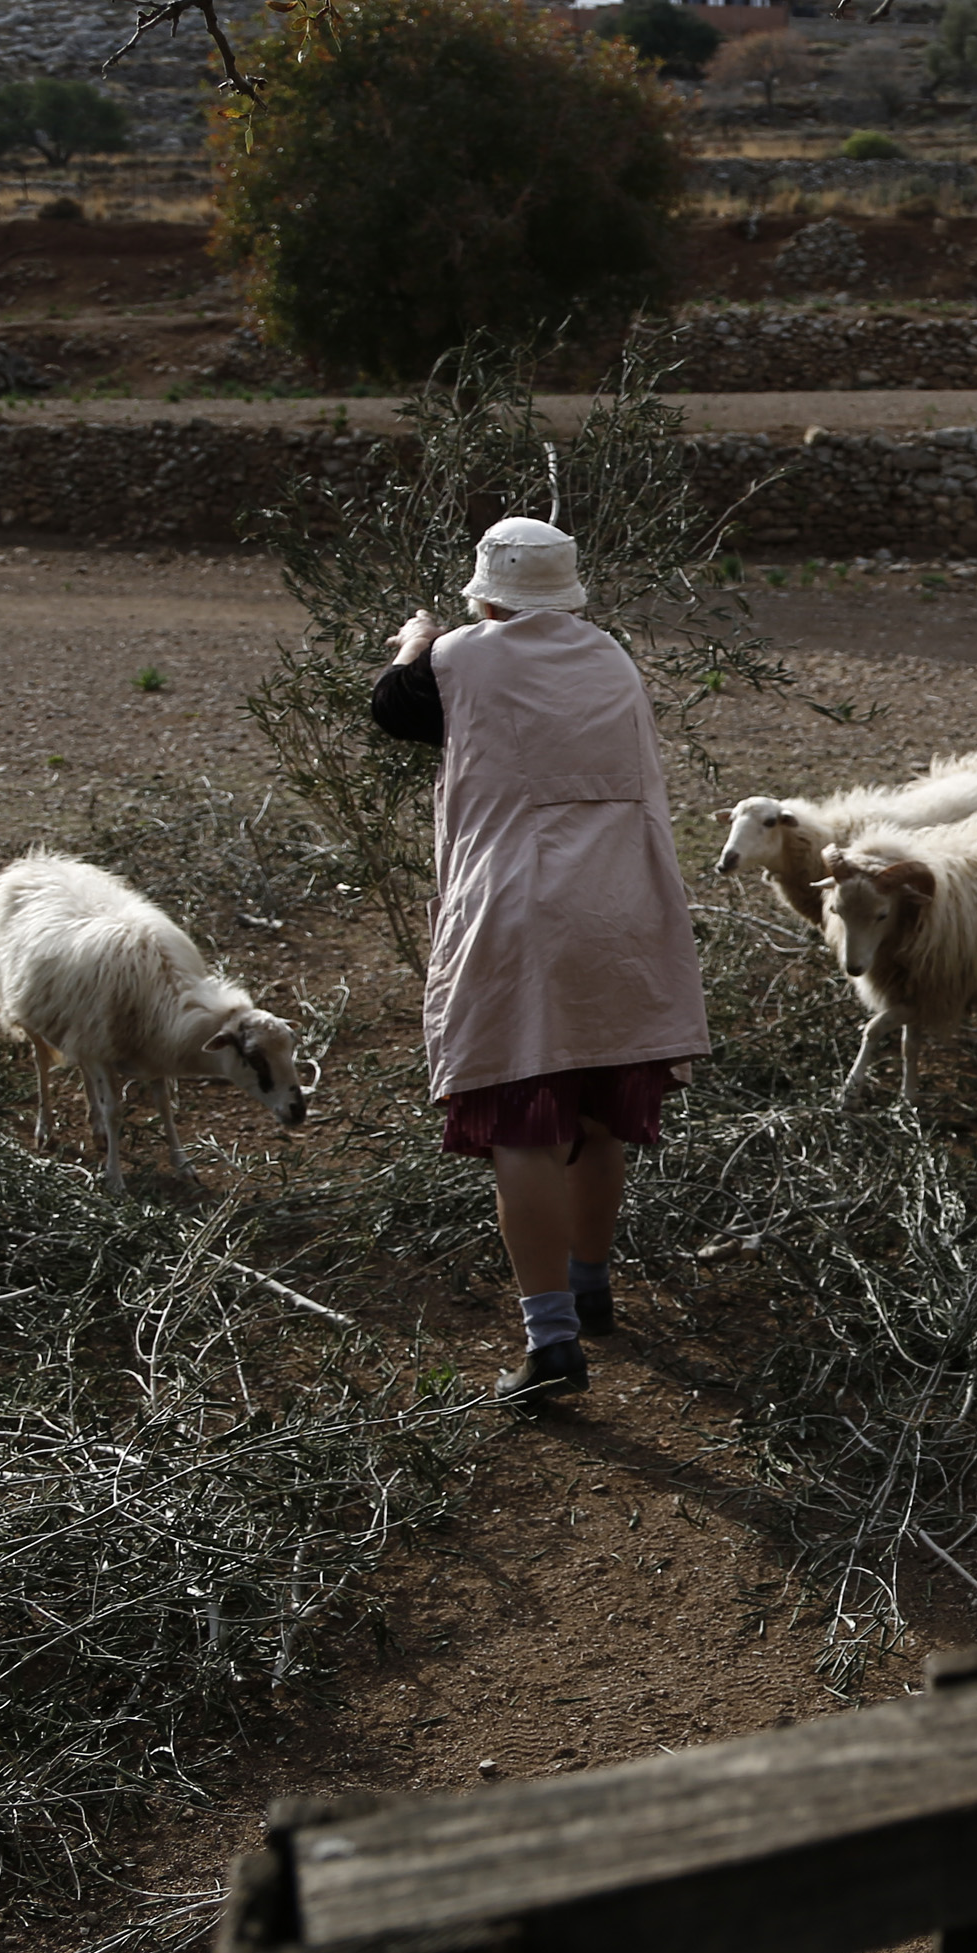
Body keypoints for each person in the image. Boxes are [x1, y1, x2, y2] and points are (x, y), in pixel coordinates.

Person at [370, 516, 709, 1405]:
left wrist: (417, 641)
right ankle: (592, 1288)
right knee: (598, 1110)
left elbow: (394, 711)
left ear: (484, 593)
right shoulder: (610, 658)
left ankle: (550, 1338)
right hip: (622, 906)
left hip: (522, 910)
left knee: (527, 1116)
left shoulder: (463, 657)